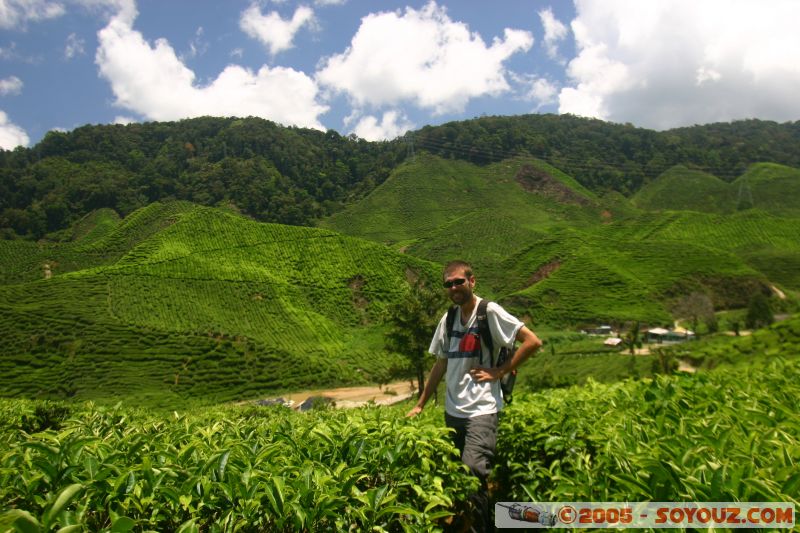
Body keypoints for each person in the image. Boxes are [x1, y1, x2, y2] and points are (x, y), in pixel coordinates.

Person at [406, 260, 542, 531]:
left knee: (472, 470)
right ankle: (471, 521)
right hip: (453, 411)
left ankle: (481, 527)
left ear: (472, 281)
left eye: (459, 281)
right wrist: (420, 404)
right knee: (462, 476)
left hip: (482, 409)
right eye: (449, 283)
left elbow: (532, 341)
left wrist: (500, 370)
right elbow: (440, 364)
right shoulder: (449, 318)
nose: (454, 287)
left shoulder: (488, 311)